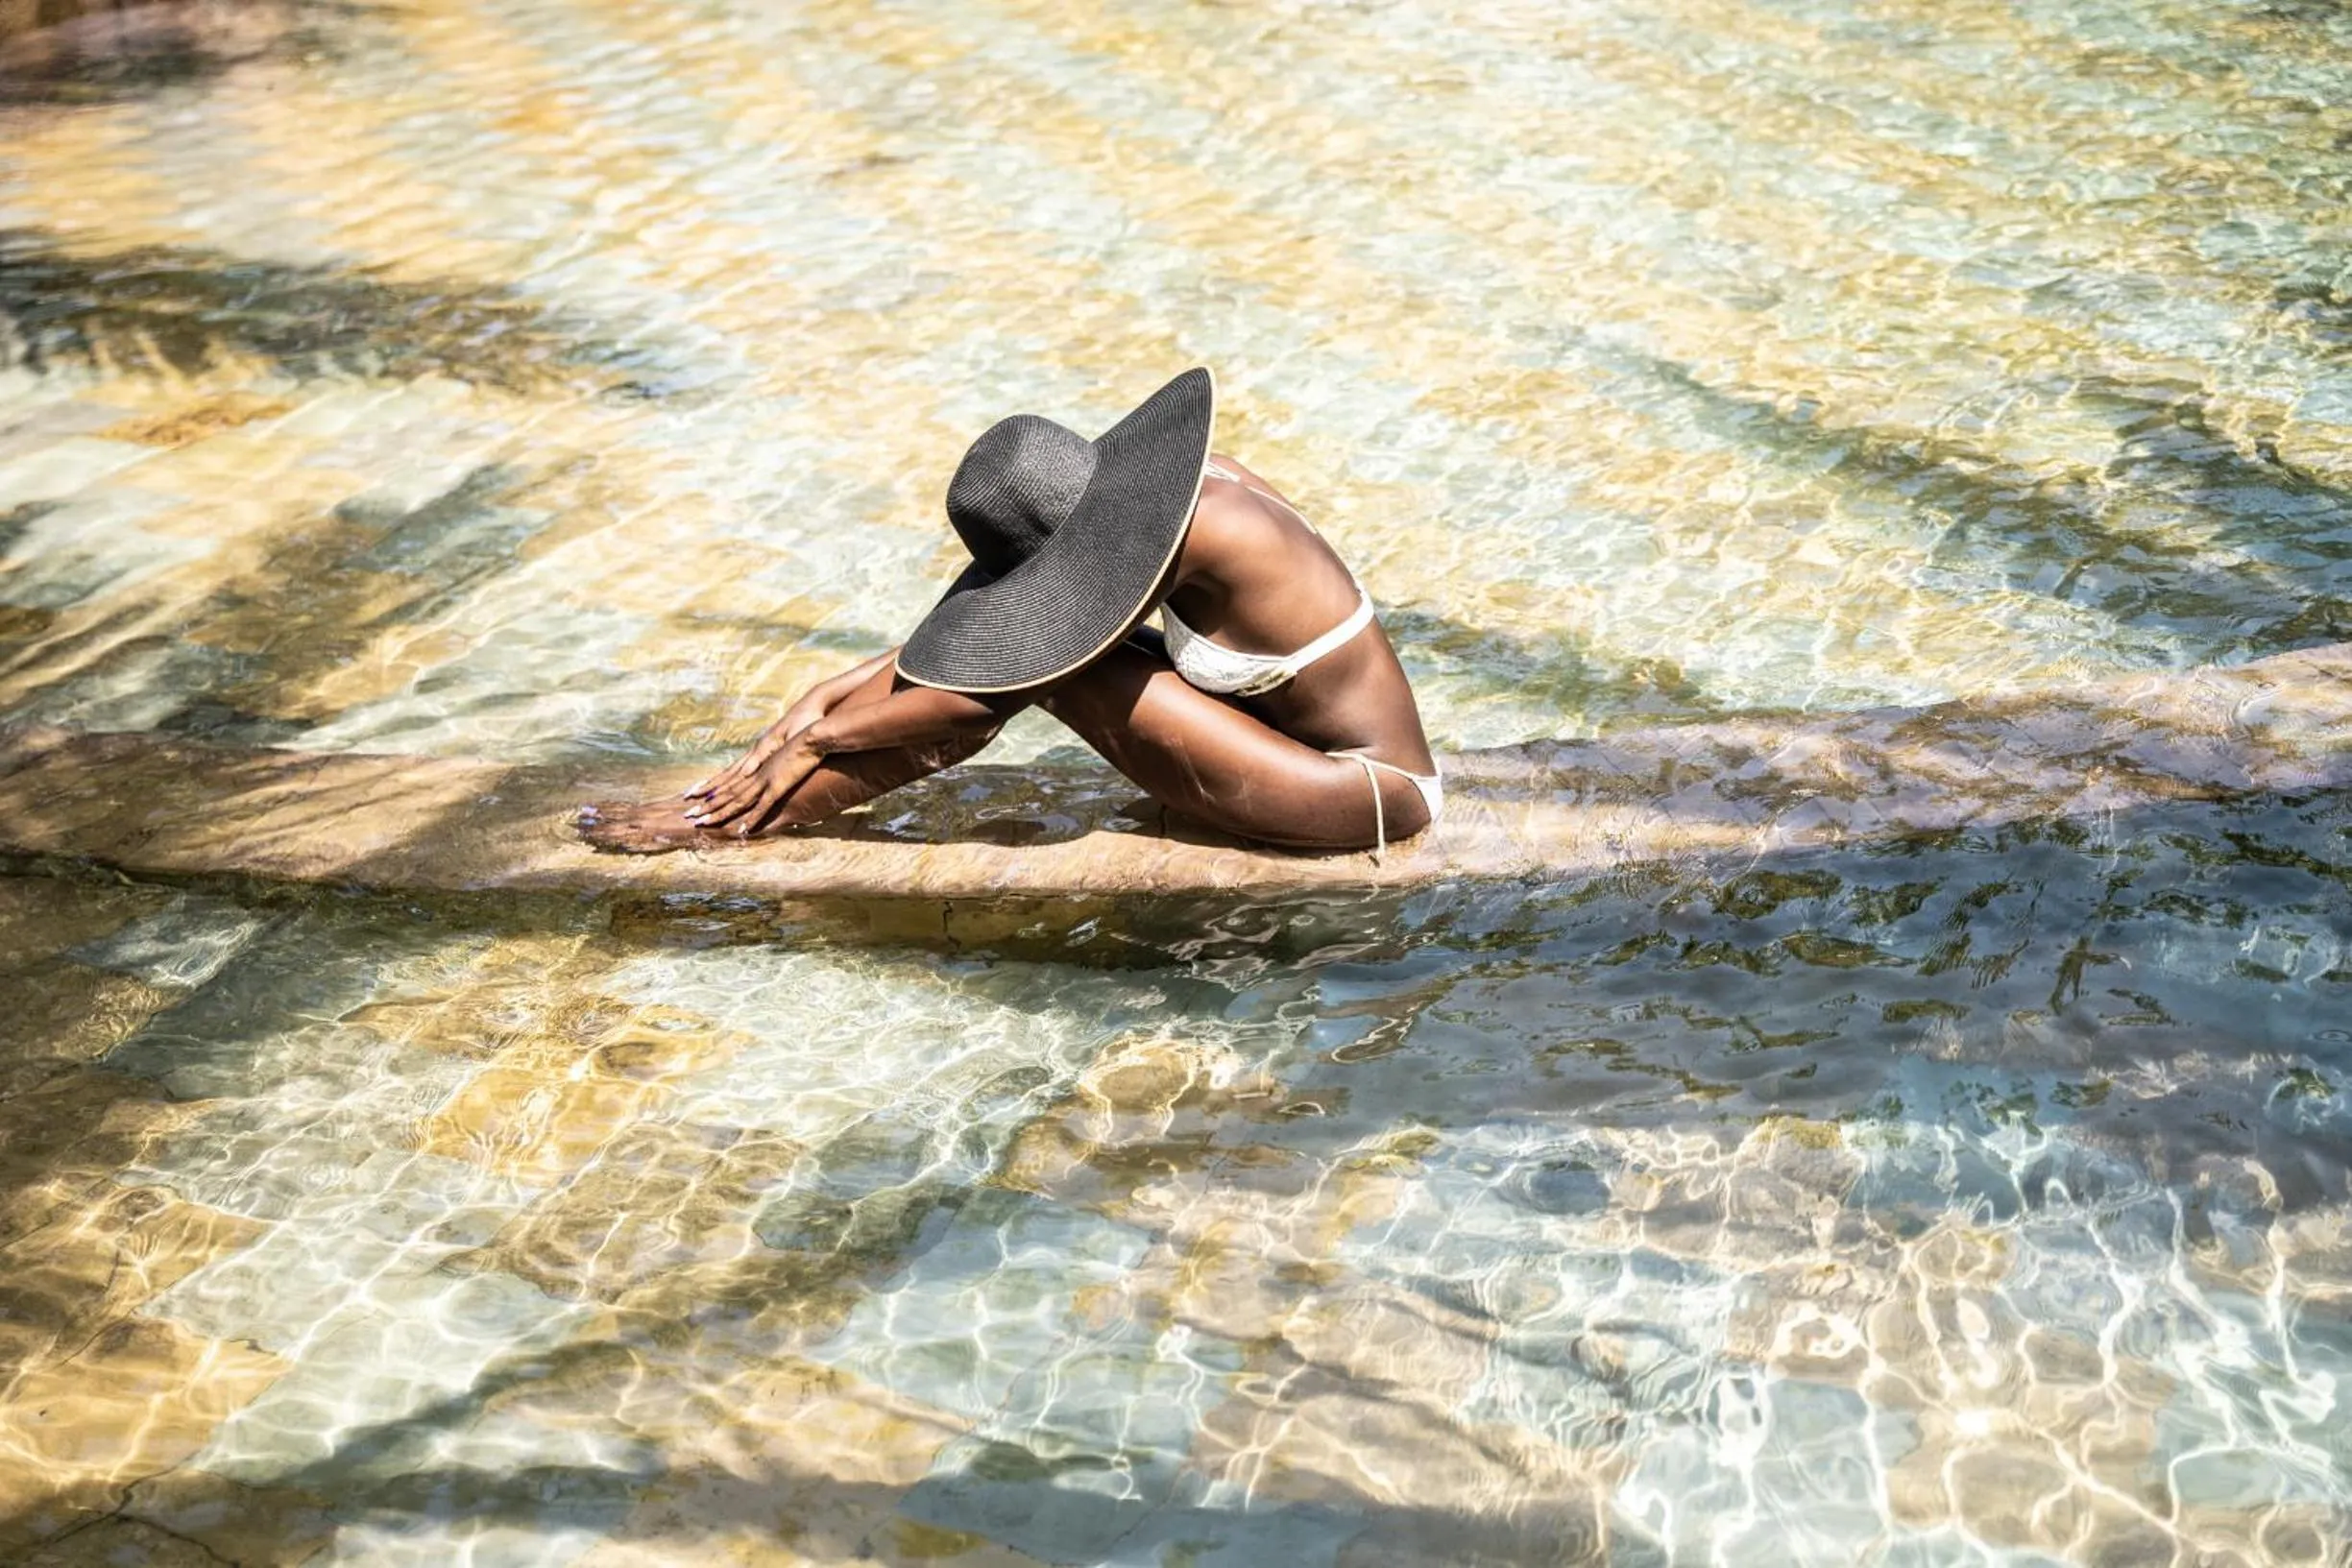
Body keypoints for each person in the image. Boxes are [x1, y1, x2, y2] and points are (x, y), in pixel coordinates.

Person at [578, 368, 1441, 856]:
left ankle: (732, 825)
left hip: (1367, 795)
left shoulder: (1200, 536)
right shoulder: (1163, 496)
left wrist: (815, 742)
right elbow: (976, 625)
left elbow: (979, 701)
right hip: (1298, 755)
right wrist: (829, 689)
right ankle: (738, 804)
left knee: (1066, 671)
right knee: (1036, 655)